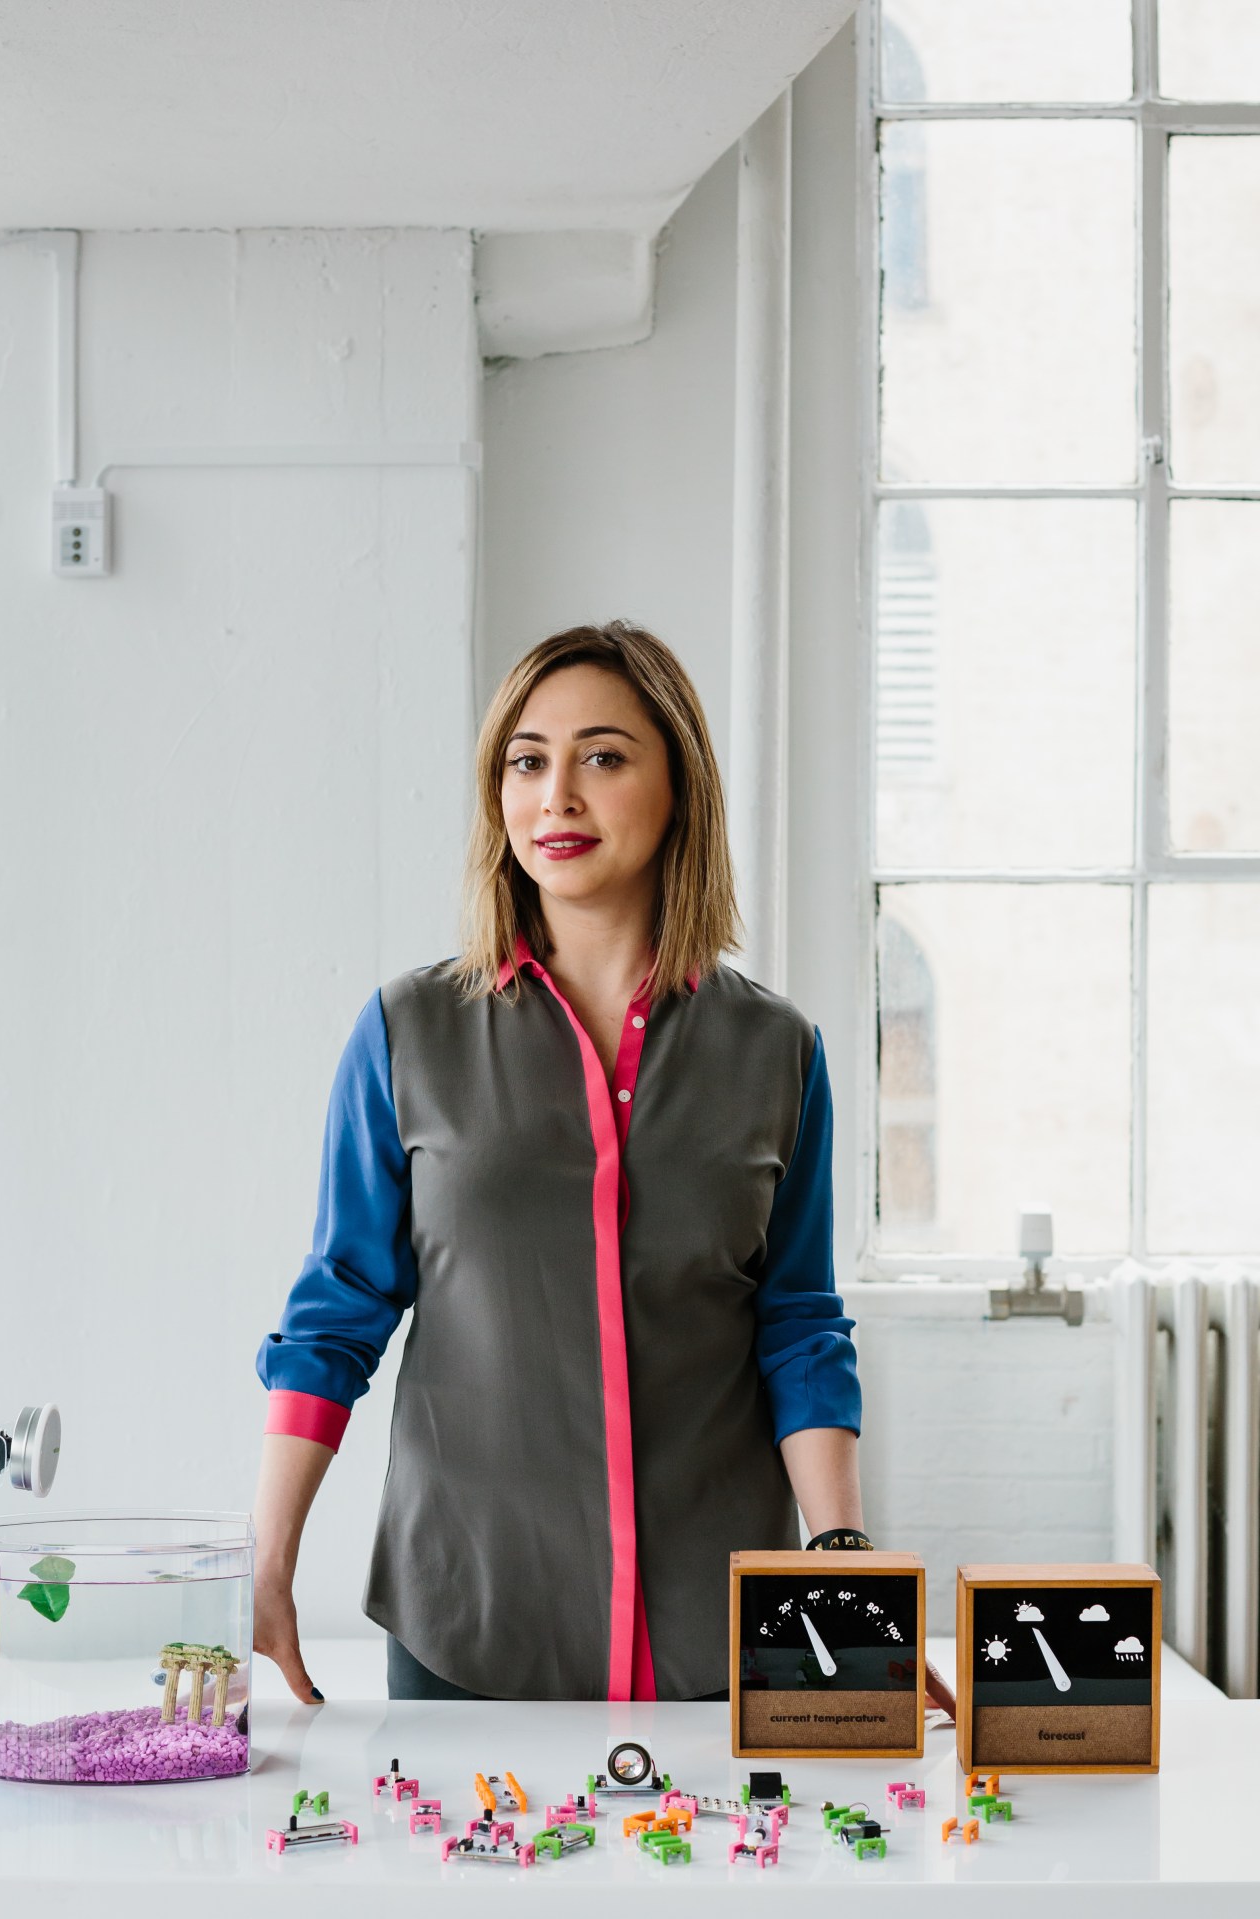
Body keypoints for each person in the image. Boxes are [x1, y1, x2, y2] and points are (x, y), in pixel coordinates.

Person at [252, 620, 864, 1704]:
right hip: (469, 1620)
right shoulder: (406, 1032)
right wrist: (269, 1563)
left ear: (680, 787)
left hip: (716, 1627)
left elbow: (799, 1322)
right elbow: (338, 1306)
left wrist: (846, 1572)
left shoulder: (779, 1051)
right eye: (526, 761)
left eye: (604, 757)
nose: (557, 797)